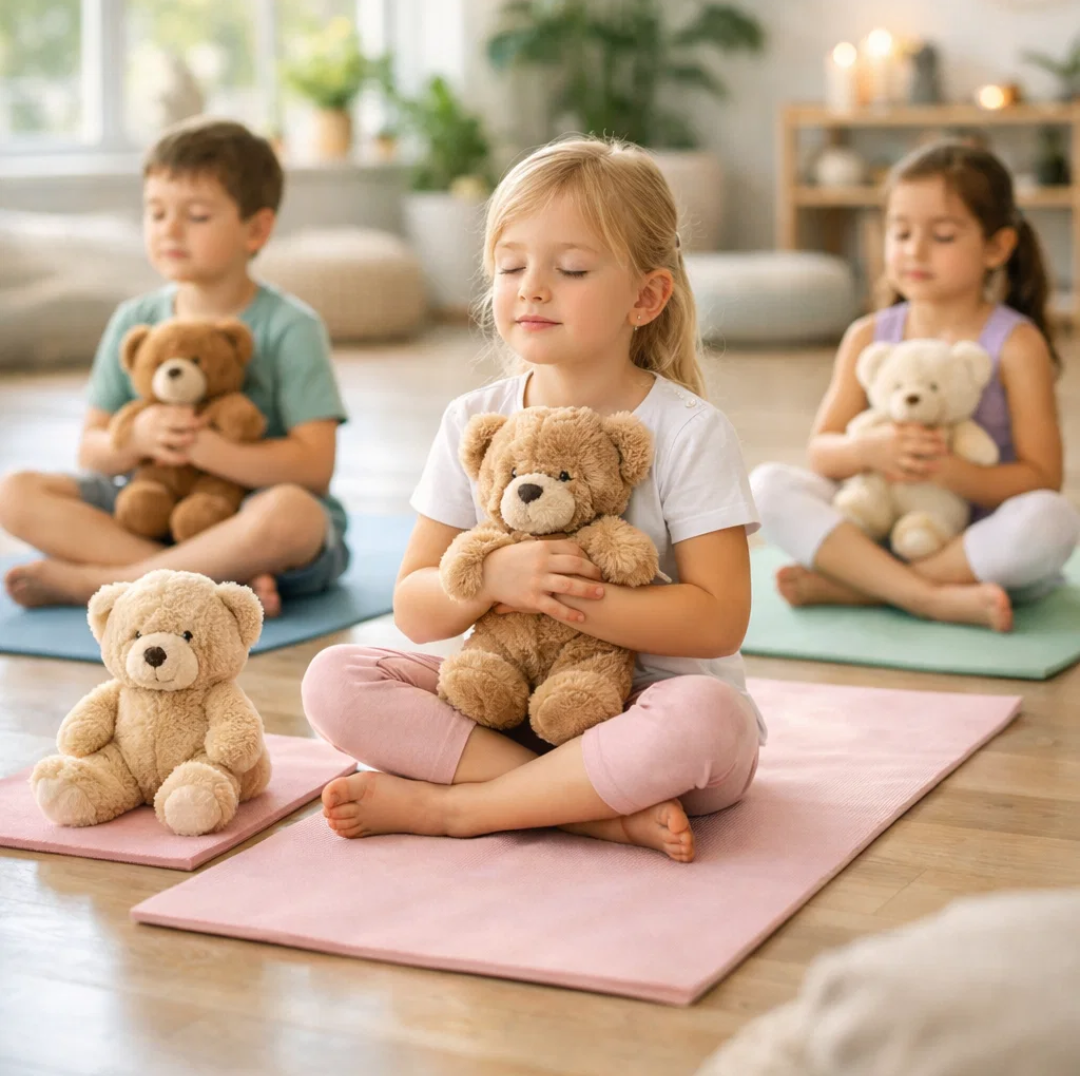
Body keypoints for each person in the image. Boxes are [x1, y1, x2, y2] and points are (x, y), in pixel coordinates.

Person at [302, 138, 762, 863]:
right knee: (337, 678)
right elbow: (416, 608)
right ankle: (586, 812)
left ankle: (460, 811)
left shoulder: (689, 431)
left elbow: (718, 618)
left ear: (646, 297)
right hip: (508, 705)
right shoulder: (473, 422)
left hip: (647, 713)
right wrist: (490, 581)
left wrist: (562, 596)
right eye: (511, 266)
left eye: (571, 268)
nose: (532, 287)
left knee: (709, 718)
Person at [0, 117, 348, 618]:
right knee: (15, 492)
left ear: (256, 229)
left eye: (197, 215)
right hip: (149, 510)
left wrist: (209, 450)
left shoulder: (292, 326)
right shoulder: (134, 321)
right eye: (156, 212)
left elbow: (315, 467)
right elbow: (92, 449)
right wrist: (136, 438)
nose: (169, 229)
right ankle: (210, 580)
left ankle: (100, 582)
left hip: (246, 514)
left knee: (293, 515)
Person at [751, 141, 1079, 632]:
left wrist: (949, 471)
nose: (914, 251)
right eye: (900, 232)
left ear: (997, 247)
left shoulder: (1016, 343)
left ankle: (863, 587)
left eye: (942, 235)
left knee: (1052, 520)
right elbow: (823, 452)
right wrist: (871, 450)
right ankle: (925, 596)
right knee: (764, 487)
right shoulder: (868, 335)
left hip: (972, 547)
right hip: (878, 523)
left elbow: (1042, 477)